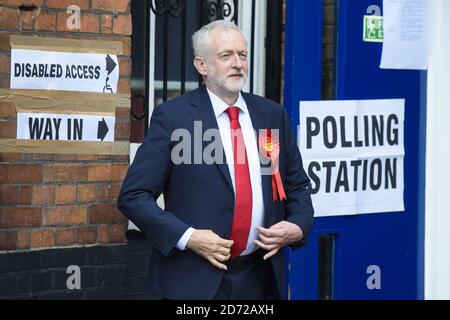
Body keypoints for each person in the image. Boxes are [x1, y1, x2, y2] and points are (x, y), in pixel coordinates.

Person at [117, 20, 314, 300]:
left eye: (242, 55)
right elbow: (133, 197)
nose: (237, 63)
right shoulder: (174, 118)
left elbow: (296, 185)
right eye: (226, 56)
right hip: (194, 280)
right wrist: (189, 237)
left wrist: (298, 224)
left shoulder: (271, 116)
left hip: (260, 278)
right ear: (201, 65)